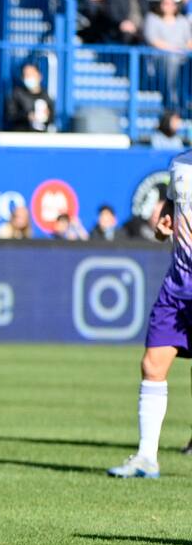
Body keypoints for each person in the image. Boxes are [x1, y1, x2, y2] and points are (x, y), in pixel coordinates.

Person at [109, 150, 192, 478]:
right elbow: (176, 203)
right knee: (152, 365)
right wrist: (167, 219)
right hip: (177, 286)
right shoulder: (181, 163)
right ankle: (146, 457)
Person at [5, 63, 54, 132]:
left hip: (41, 136)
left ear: (39, 76)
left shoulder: (46, 95)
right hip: (21, 135)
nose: (29, 78)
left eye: (31, 74)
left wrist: (48, 115)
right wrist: (28, 116)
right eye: (26, 75)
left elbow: (53, 117)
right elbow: (11, 115)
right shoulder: (17, 94)